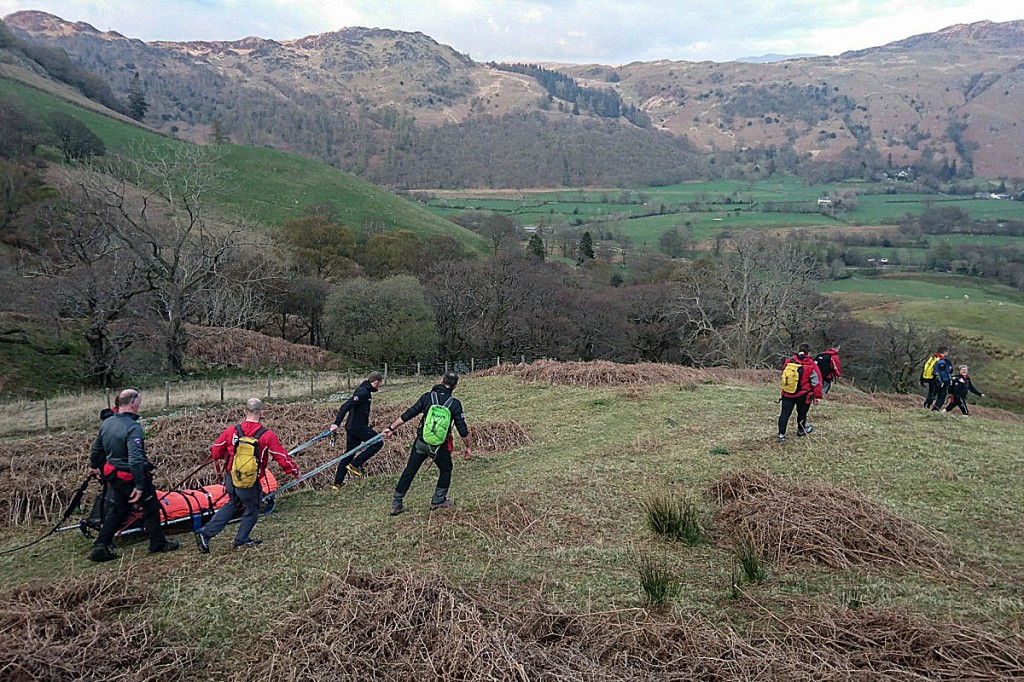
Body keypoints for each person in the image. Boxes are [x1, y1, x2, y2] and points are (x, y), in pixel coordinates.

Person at [195, 397, 300, 553]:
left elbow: (216, 450)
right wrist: (294, 471)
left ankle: (205, 533)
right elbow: (281, 456)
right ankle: (241, 540)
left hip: (232, 476)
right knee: (252, 508)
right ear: (262, 413)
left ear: (245, 411)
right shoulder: (267, 435)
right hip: (250, 480)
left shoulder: (232, 431)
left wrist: (227, 455)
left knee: (232, 503)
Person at [87, 389, 179, 562]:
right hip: (129, 476)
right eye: (139, 401)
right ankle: (158, 543)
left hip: (113, 475)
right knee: (151, 507)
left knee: (119, 509)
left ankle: (100, 545)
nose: (140, 404)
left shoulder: (107, 423)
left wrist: (94, 466)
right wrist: (139, 485)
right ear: (132, 403)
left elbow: (96, 448)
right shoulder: (133, 427)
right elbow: (135, 459)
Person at [383, 371, 472, 516]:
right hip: (439, 447)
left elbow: (409, 413)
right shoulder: (454, 404)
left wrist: (391, 428)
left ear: (442, 380)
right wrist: (467, 447)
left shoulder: (427, 397)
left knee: (410, 471)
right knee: (446, 469)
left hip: (421, 443)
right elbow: (462, 429)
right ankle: (438, 500)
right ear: (455, 386)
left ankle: (396, 504)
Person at [329, 370, 386, 487]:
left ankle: (337, 484)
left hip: (352, 427)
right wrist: (336, 423)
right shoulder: (363, 392)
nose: (378, 386)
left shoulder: (364, 390)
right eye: (379, 383)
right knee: (378, 442)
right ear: (375, 382)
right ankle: (355, 464)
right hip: (357, 427)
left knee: (349, 453)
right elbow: (345, 406)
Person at [777, 343, 823, 443]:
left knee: (784, 413)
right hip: (804, 394)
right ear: (809, 353)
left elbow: (784, 373)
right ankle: (801, 430)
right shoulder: (811, 365)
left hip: (787, 393)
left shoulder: (789, 361)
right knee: (802, 413)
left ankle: (781, 435)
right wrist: (817, 396)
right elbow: (816, 382)